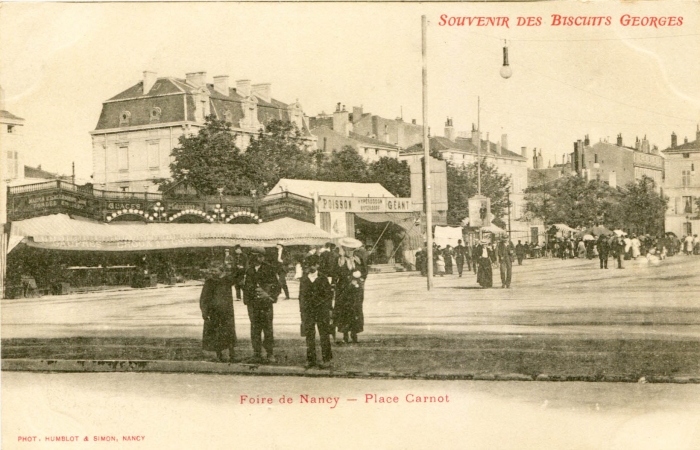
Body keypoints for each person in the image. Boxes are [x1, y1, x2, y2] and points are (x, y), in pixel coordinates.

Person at [243, 248, 280, 363]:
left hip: (266, 304)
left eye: (261, 256)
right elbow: (246, 287)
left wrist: (269, 296)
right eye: (256, 256)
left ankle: (270, 353)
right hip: (253, 304)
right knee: (255, 329)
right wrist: (248, 302)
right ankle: (257, 353)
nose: (259, 258)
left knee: (267, 329)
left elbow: (277, 286)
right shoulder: (249, 271)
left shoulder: (269, 269)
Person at [298, 255, 334, 369]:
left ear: (317, 265)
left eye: (314, 264)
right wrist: (302, 312)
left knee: (324, 335)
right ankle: (311, 360)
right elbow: (301, 296)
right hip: (308, 311)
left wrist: (328, 309)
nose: (312, 267)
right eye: (309, 265)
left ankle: (327, 359)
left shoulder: (322, 278)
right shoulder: (304, 279)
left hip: (321, 310)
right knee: (309, 336)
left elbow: (329, 295)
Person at [199, 260, 237, 362]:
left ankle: (231, 355)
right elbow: (203, 298)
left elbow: (238, 275)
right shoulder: (209, 282)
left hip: (226, 313)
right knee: (215, 335)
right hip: (213, 314)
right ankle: (218, 355)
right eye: (211, 271)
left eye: (214, 271)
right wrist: (204, 311)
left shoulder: (227, 280)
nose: (212, 273)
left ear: (221, 271)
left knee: (228, 334)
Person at [333, 237, 367, 344]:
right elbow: (335, 273)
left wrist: (359, 279)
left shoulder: (358, 260)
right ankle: (345, 334)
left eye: (352, 249)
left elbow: (364, 272)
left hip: (355, 290)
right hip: (343, 289)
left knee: (355, 310)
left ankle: (354, 333)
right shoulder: (339, 260)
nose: (349, 252)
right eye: (347, 249)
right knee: (343, 311)